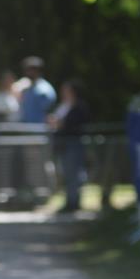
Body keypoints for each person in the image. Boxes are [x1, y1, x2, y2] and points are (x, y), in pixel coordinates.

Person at [48, 79, 89, 212]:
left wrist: (61, 124)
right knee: (65, 173)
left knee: (74, 173)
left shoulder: (79, 106)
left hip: (73, 143)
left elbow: (75, 123)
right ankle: (69, 201)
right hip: (62, 144)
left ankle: (74, 202)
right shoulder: (63, 105)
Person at [18, 56, 56, 124]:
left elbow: (49, 111)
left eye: (31, 69)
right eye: (27, 69)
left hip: (40, 129)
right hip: (29, 128)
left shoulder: (44, 89)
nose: (27, 72)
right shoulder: (28, 88)